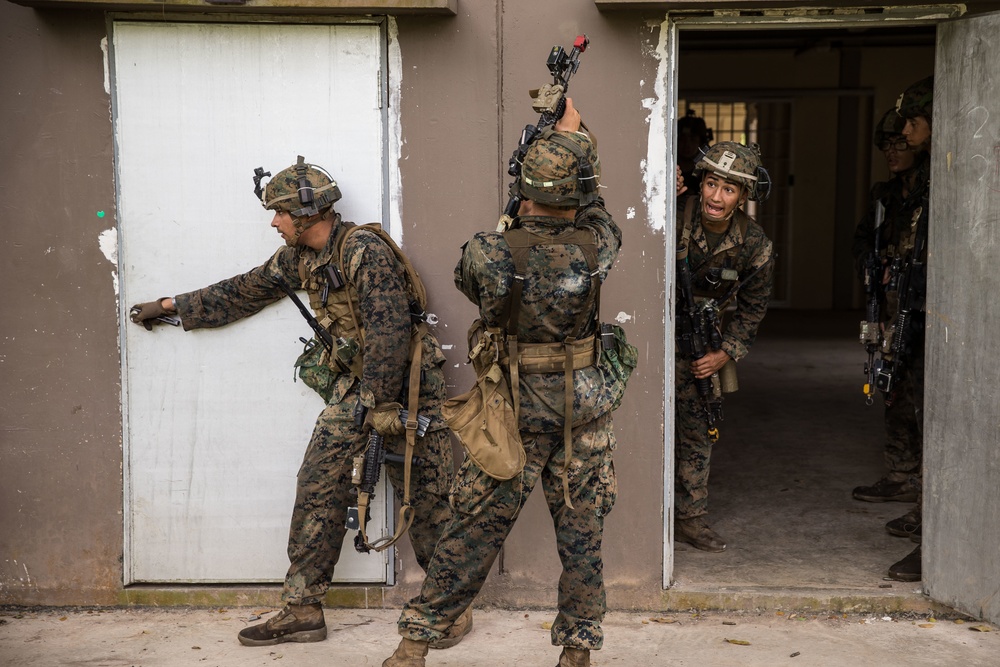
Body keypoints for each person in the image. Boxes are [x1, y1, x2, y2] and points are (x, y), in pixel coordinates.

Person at [128, 157, 469, 648]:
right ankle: (303, 608)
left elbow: (390, 334)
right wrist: (171, 307)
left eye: (280, 213)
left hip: (410, 390)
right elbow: (245, 289)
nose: (273, 222)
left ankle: (449, 609)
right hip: (360, 391)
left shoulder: (362, 252)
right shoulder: (301, 259)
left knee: (426, 498)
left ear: (307, 214)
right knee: (318, 486)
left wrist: (377, 410)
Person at [382, 97, 622, 667]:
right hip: (581, 410)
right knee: (582, 538)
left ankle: (415, 645)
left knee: (471, 533)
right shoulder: (599, 245)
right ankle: (578, 651)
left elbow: (475, 283)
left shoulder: (491, 251)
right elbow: (597, 207)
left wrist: (522, 194)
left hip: (510, 414)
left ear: (525, 186)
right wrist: (575, 137)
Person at [674, 141, 774, 553]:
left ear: (744, 197)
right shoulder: (672, 212)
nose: (716, 197)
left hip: (702, 343)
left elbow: (753, 308)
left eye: (729, 189)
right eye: (712, 183)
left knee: (697, 431)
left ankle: (691, 520)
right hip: (655, 334)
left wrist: (725, 352)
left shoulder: (754, 245)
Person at [858, 76, 932, 583]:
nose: (894, 149)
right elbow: (866, 243)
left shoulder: (937, 186)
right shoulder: (889, 195)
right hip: (893, 305)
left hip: (929, 312)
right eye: (888, 144)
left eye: (903, 139)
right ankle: (903, 477)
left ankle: (931, 514)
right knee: (893, 389)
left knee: (931, 410)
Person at [677, 109, 714, 193]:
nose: (687, 144)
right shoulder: (670, 169)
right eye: (682, 139)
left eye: (692, 139)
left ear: (701, 143)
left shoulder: (706, 171)